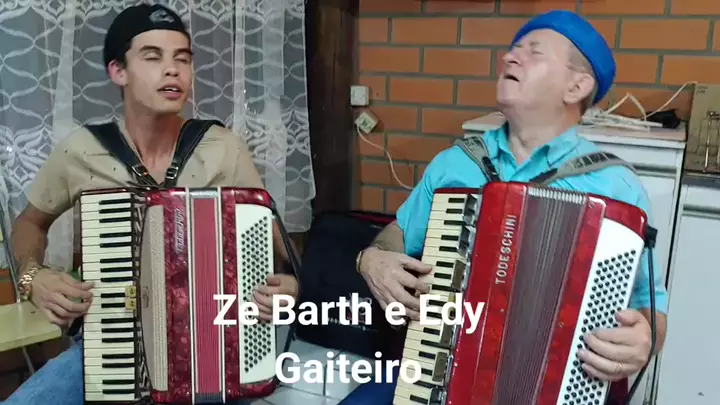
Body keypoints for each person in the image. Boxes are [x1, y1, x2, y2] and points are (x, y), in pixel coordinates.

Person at [351, 9, 668, 405]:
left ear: (577, 86)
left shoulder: (616, 188)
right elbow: (397, 233)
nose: (510, 57)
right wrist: (373, 258)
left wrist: (645, 339)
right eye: (513, 48)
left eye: (534, 51)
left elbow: (650, 308)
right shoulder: (457, 164)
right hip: (439, 378)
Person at [4, 4, 298, 405]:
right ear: (118, 71)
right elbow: (29, 224)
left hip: (214, 350)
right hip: (111, 350)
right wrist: (32, 277)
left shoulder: (224, 148)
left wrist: (292, 287)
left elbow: (283, 251)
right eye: (153, 57)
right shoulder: (81, 151)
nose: (173, 70)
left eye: (183, 59)